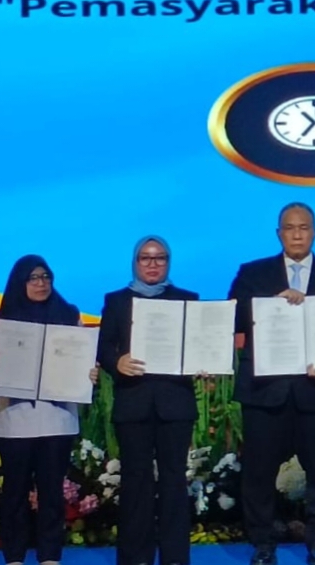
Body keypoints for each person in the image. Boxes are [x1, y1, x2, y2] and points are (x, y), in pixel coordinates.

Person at [229, 203, 315, 565]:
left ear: (314, 232)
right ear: (279, 233)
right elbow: (231, 319)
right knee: (258, 474)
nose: (297, 234)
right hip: (265, 392)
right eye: (290, 228)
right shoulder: (253, 273)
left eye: (304, 228)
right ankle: (263, 544)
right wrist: (270, 306)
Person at [0, 255, 99, 565]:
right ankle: (14, 557)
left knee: (52, 493)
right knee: (15, 492)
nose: (41, 283)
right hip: (14, 421)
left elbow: (83, 361)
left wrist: (89, 373)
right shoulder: (0, 318)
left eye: (46, 277)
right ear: (20, 282)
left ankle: (50, 557)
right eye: (33, 278)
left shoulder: (69, 316)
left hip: (57, 420)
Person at [97, 236, 201, 565]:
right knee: (135, 481)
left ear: (168, 262)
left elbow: (200, 344)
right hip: (134, 403)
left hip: (175, 404)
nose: (153, 264)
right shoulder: (116, 301)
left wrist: (204, 361)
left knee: (174, 481)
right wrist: (116, 362)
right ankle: (134, 557)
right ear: (135, 262)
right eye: (146, 258)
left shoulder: (188, 300)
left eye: (160, 258)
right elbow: (103, 347)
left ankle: (175, 557)